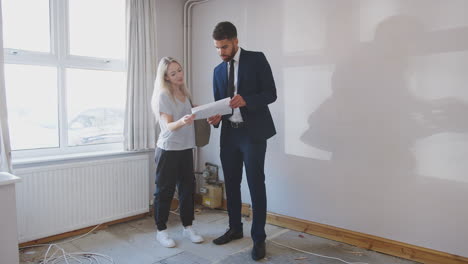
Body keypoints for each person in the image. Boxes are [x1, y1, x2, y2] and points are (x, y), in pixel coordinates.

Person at [207, 21, 277, 261]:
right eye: (217, 48)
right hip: (229, 134)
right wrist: (215, 117)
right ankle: (235, 229)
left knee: (256, 184)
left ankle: (259, 238)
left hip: (253, 134)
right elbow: (220, 103)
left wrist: (246, 100)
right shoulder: (217, 71)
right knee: (232, 183)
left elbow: (271, 93)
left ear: (235, 41)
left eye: (224, 46)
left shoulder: (257, 59)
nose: (221, 52)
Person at [151, 57, 204, 248]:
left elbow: (191, 114)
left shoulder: (185, 93)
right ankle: (161, 231)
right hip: (168, 149)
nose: (179, 75)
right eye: (173, 73)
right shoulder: (164, 96)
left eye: (179, 70)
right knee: (164, 191)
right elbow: (168, 126)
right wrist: (183, 121)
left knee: (187, 189)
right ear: (166, 77)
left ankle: (188, 226)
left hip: (185, 148)